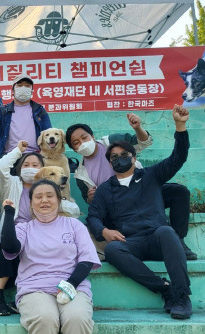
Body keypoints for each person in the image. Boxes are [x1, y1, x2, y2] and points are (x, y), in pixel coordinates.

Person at [87, 105, 192, 320]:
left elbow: (178, 157)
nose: (119, 159)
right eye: (114, 157)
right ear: (109, 162)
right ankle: (165, 290)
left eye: (124, 155)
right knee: (114, 249)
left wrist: (180, 126)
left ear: (134, 158)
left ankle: (182, 297)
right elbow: (93, 217)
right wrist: (104, 231)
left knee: (166, 231)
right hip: (132, 242)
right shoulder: (105, 189)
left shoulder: (151, 176)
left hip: (157, 238)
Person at [66, 114, 197, 260]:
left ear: (92, 135)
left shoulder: (112, 142)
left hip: (143, 189)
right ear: (74, 149)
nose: (82, 143)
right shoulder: (80, 175)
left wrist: (138, 128)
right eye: (76, 143)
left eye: (84, 138)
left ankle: (178, 240)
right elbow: (92, 204)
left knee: (178, 192)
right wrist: (90, 198)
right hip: (117, 204)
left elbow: (143, 142)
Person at [0, 140, 80, 316]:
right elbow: (1, 167)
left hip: (41, 233)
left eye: (35, 165)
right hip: (15, 232)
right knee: (7, 251)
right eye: (26, 165)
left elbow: (75, 210)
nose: (30, 168)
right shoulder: (12, 184)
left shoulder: (49, 189)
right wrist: (18, 151)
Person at [1, 179, 101, 334]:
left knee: (77, 318)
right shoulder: (24, 228)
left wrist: (70, 285)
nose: (44, 200)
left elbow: (87, 260)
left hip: (73, 286)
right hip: (34, 288)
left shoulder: (74, 225)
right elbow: (10, 247)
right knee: (45, 317)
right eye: (38, 197)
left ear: (59, 200)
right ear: (31, 202)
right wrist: (9, 214)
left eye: (50, 196)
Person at [0, 73, 51, 163]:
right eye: (20, 85)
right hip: (9, 155)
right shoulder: (4, 110)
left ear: (32, 91)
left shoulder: (39, 111)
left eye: (27, 86)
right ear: (13, 91)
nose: (23, 88)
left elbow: (48, 134)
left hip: (34, 156)